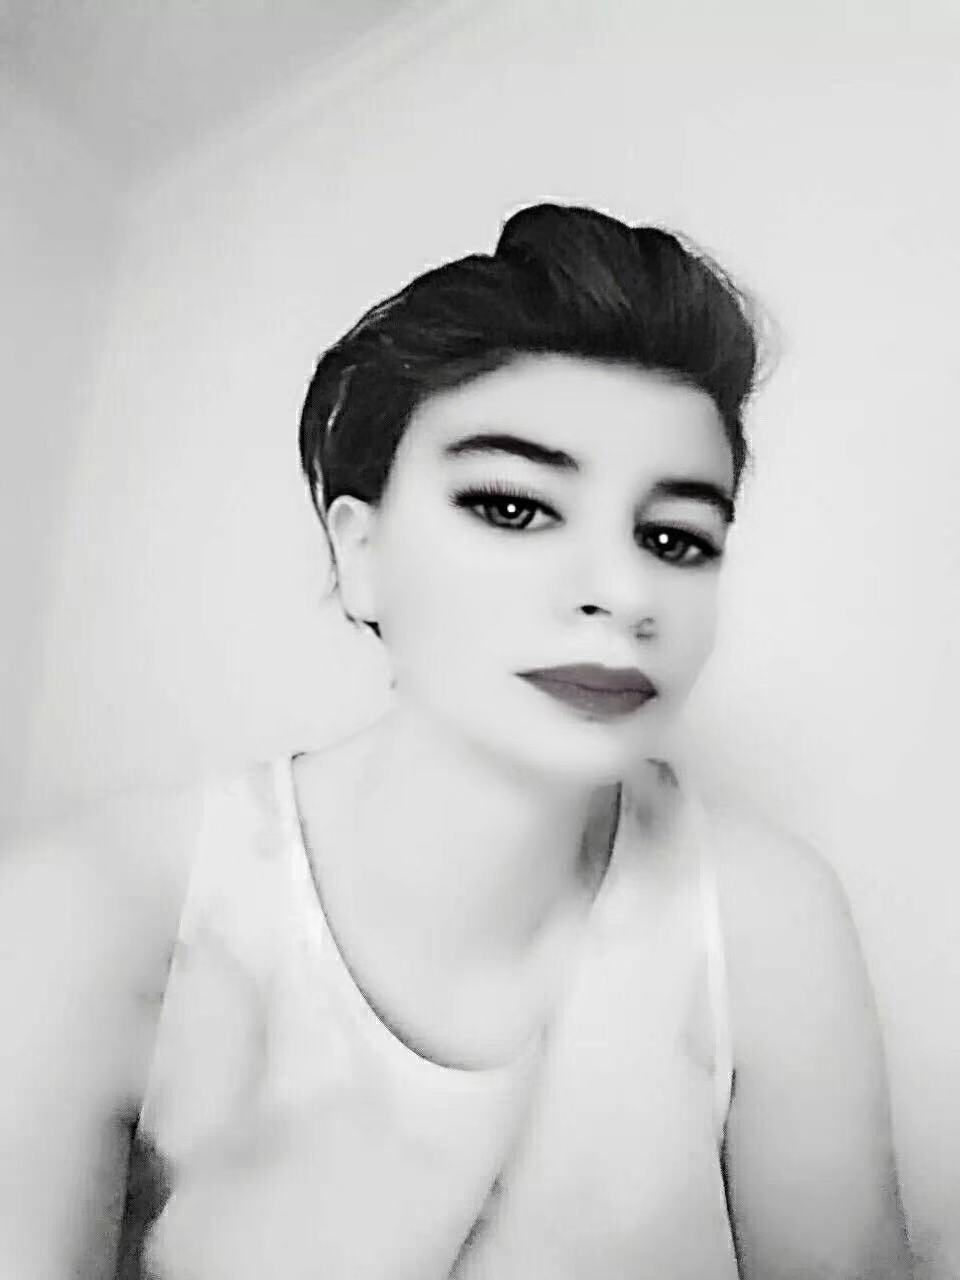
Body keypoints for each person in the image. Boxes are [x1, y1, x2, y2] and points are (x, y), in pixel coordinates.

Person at [0, 203, 913, 1279]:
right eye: (513, 507)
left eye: (675, 537)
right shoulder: (93, 914)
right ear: (361, 552)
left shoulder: (766, 920)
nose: (624, 592)